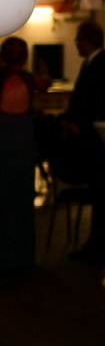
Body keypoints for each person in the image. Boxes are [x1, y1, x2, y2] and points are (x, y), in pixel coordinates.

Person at [59, 21, 105, 266]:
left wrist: (80, 126)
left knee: (102, 194)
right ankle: (96, 245)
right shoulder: (94, 63)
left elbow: (99, 105)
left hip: (95, 141)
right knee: (98, 194)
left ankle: (100, 246)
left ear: (87, 41)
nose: (76, 44)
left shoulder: (103, 65)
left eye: (78, 40)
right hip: (90, 138)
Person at [0, 37, 37, 283]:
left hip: (4, 136)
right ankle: (21, 257)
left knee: (4, 196)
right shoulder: (29, 79)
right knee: (22, 196)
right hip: (22, 138)